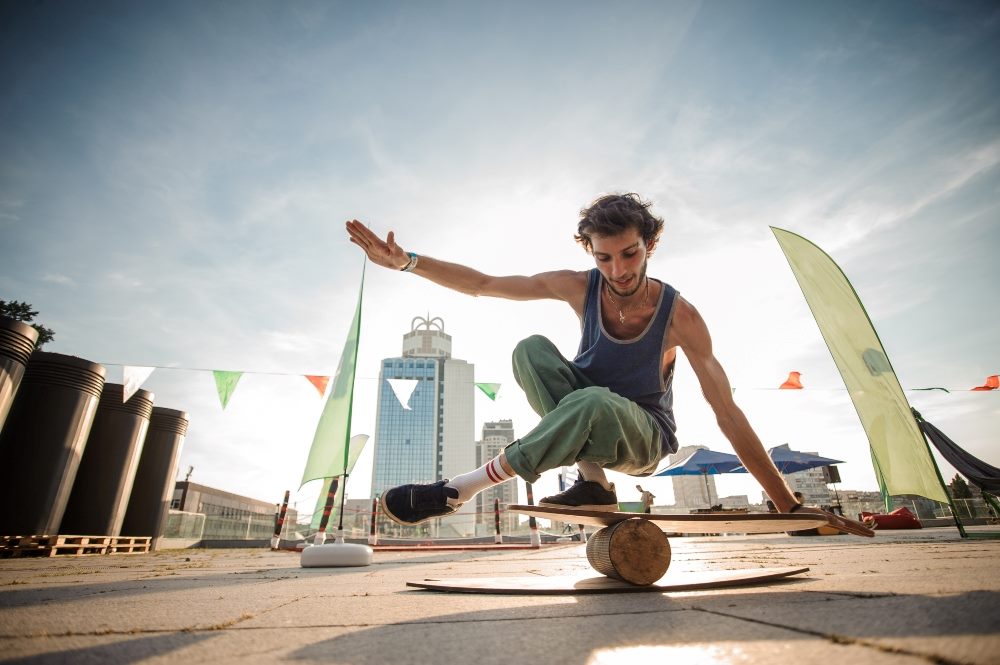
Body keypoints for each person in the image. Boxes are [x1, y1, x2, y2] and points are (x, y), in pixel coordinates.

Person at [346, 193, 871, 536]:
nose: (618, 270)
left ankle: (460, 488)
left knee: (592, 399)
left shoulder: (680, 317)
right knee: (531, 348)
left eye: (630, 255)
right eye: (604, 258)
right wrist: (408, 262)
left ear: (650, 246)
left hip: (644, 440)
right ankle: (594, 484)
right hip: (589, 416)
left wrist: (786, 505)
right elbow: (484, 284)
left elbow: (727, 413)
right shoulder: (579, 286)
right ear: (590, 252)